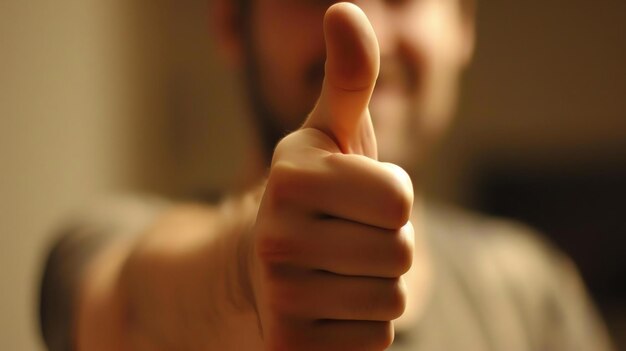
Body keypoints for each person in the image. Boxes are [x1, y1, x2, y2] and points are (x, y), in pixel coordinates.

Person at [39, 0, 614, 350]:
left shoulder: (531, 296)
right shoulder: (104, 243)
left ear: (463, 24)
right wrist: (242, 274)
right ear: (231, 22)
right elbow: (132, 310)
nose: (360, 25)